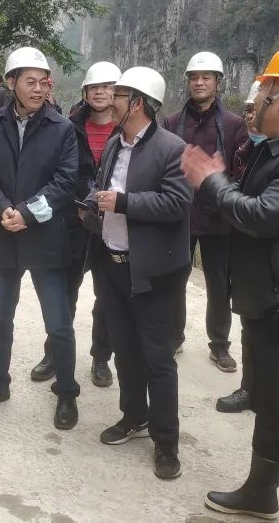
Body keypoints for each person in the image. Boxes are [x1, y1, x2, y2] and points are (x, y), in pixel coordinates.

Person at [181, 45, 279, 523]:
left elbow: (260, 216)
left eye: (265, 94)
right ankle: (260, 492)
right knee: (270, 408)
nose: (257, 104)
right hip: (268, 304)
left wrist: (211, 181)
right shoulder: (275, 151)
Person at [0, 47, 81, 430]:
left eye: (43, 82)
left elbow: (65, 181)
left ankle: (67, 392)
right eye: (30, 82)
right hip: (3, 237)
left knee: (58, 322)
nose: (38, 89)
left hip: (45, 238)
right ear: (11, 83)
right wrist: (2, 209)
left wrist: (26, 213)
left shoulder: (61, 128)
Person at [86, 66, 192, 480]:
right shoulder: (115, 143)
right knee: (126, 351)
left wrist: (124, 202)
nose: (110, 99)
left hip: (153, 273)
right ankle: (134, 416)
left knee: (158, 359)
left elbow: (177, 204)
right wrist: (92, 204)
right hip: (112, 266)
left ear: (138, 103)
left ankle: (166, 441)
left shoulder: (172, 148)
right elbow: (105, 189)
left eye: (118, 94)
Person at [29, 61, 119, 389]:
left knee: (107, 296)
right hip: (74, 221)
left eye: (107, 87)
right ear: (85, 92)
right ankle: (55, 352)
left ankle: (101, 357)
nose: (99, 92)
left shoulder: (127, 129)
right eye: (93, 87)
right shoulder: (69, 127)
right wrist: (81, 204)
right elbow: (62, 171)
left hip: (113, 225)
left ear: (118, 93)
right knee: (64, 292)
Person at [163, 51, 246, 368]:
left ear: (217, 82)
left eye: (206, 77)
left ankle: (220, 345)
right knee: (174, 279)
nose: (199, 82)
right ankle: (173, 337)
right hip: (180, 215)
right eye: (194, 77)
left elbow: (239, 173)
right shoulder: (172, 123)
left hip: (218, 218)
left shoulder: (234, 125)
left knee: (219, 285)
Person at [217, 79, 264, 414]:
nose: (250, 116)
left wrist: (214, 184)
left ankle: (267, 396)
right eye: (247, 110)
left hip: (273, 261)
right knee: (251, 323)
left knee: (271, 336)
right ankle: (250, 388)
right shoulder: (250, 150)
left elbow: (260, 210)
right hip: (248, 253)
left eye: (256, 109)